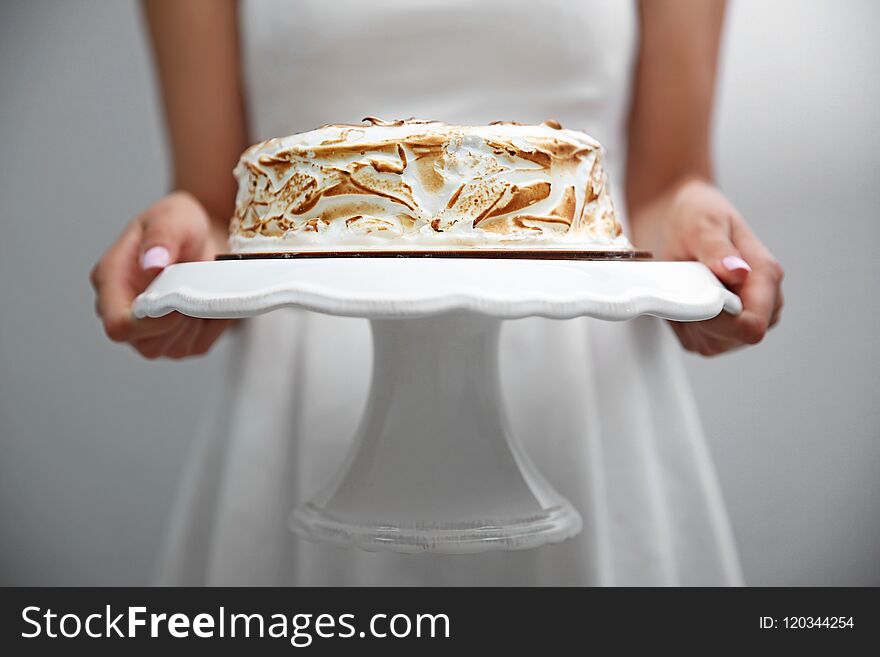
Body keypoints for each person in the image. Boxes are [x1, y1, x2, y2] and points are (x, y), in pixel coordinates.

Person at [90, 0, 784, 585]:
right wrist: (183, 250)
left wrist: (699, 235)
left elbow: (665, 187)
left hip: (583, 392)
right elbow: (224, 209)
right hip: (308, 391)